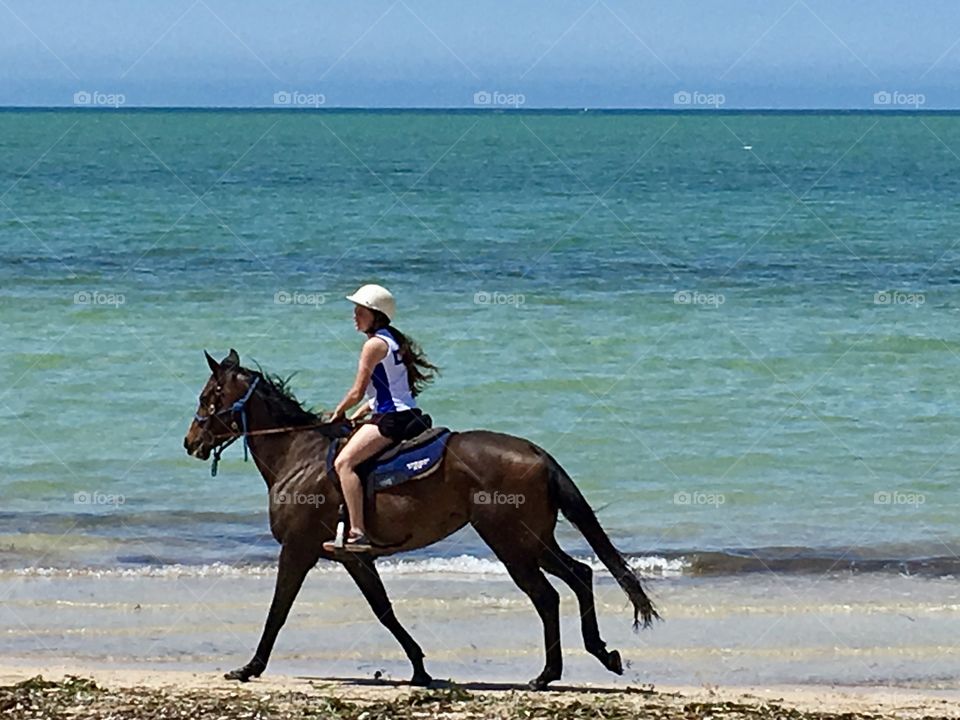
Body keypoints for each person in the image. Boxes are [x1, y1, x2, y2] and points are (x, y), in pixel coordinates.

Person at [323, 284, 439, 552]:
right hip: (404, 412)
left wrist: (338, 413)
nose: (355, 315)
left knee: (344, 463)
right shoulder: (391, 339)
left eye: (360, 311)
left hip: (391, 420)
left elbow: (357, 391)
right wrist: (358, 414)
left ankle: (357, 532)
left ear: (376, 315)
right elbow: (382, 393)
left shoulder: (373, 345)